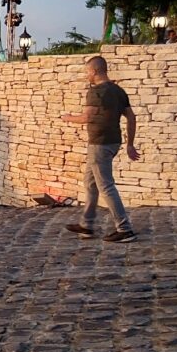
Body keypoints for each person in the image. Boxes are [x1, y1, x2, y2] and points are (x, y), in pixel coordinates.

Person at [60, 56, 140, 243]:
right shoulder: (119, 91)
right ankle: (87, 225)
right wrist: (129, 144)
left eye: (87, 71)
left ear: (94, 71)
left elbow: (87, 117)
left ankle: (125, 229)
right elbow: (131, 118)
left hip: (100, 144)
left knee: (105, 186)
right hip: (112, 142)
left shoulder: (96, 92)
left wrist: (68, 117)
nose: (87, 75)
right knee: (90, 182)